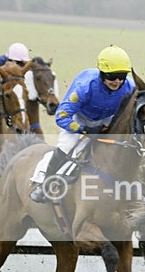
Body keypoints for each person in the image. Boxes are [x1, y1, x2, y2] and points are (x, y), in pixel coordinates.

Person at [29, 45, 135, 202]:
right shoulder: (85, 86)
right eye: (112, 77)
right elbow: (61, 116)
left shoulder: (129, 86)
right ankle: (45, 184)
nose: (118, 81)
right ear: (103, 73)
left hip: (108, 119)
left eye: (121, 76)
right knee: (66, 148)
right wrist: (84, 129)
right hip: (80, 118)